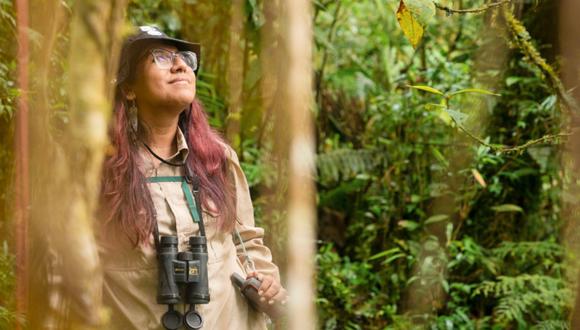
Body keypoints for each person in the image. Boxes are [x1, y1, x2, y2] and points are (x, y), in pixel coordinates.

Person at [98, 25, 286, 330]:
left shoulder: (217, 160)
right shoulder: (104, 169)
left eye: (185, 58)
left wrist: (267, 283)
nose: (180, 65)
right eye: (159, 57)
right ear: (129, 87)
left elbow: (247, 242)